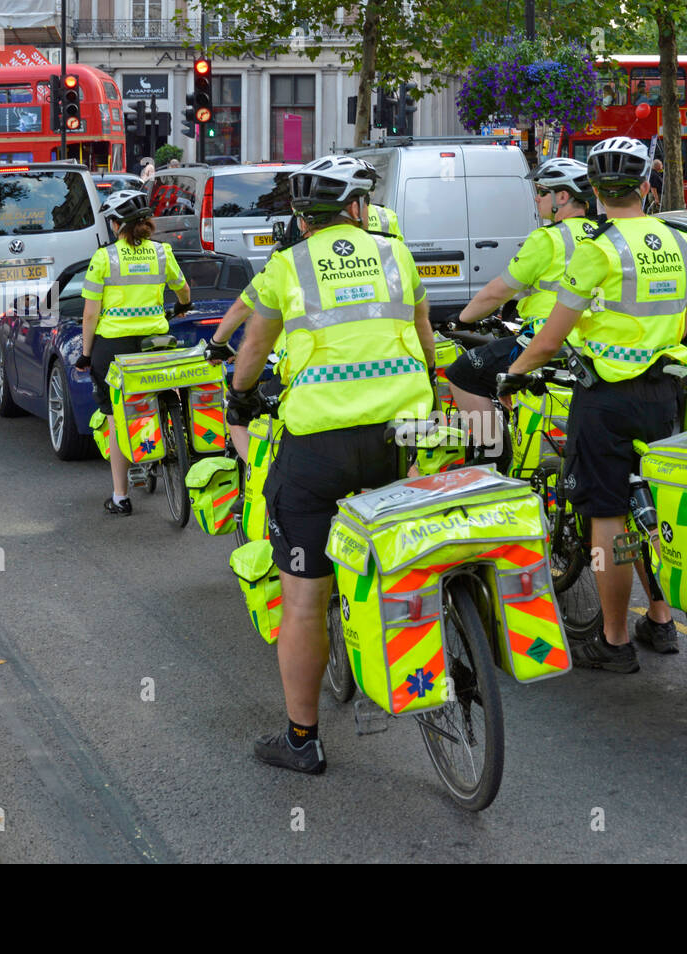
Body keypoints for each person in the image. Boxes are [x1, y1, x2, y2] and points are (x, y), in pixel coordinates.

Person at [204, 155, 435, 774]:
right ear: (359, 208)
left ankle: (303, 739)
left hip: (316, 449)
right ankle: (404, 670)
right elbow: (423, 335)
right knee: (390, 559)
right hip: (393, 436)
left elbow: (254, 346)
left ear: (304, 219)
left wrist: (241, 394)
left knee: (304, 599)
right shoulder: (396, 255)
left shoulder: (288, 266)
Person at [498, 136, 687, 671]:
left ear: (595, 191)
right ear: (646, 186)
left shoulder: (598, 250)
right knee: (653, 504)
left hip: (606, 398)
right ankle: (660, 620)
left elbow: (547, 340)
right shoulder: (680, 242)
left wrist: (513, 375)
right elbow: (679, 320)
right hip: (665, 392)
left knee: (608, 515)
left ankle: (613, 640)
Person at [444, 157, 600, 458]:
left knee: (461, 373)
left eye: (542, 192)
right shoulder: (601, 235)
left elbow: (496, 293)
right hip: (591, 344)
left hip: (544, 342)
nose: (537, 198)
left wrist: (461, 319)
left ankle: (492, 455)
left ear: (563, 196)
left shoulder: (548, 239)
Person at [75, 191, 192, 515]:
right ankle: (167, 438)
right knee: (159, 390)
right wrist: (182, 305)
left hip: (114, 347)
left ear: (116, 226)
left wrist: (86, 354)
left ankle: (120, 497)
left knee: (116, 417)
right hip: (156, 341)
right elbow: (183, 289)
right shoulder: (162, 252)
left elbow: (89, 315)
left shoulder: (105, 258)